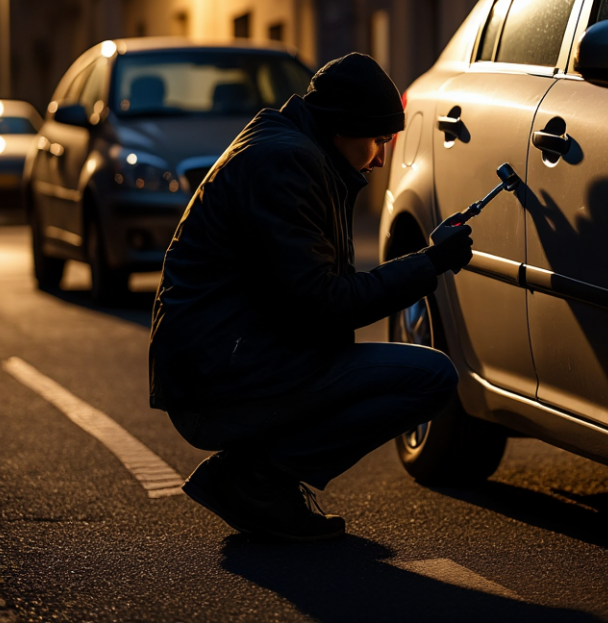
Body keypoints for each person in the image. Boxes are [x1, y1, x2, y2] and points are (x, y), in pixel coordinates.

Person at [148, 52, 473, 541]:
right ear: (344, 127)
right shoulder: (286, 163)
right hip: (217, 382)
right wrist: (428, 263)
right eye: (380, 140)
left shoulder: (297, 151)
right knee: (430, 377)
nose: (383, 156)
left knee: (395, 372)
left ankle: (258, 477)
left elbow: (313, 297)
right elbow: (322, 304)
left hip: (230, 363)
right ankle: (258, 479)